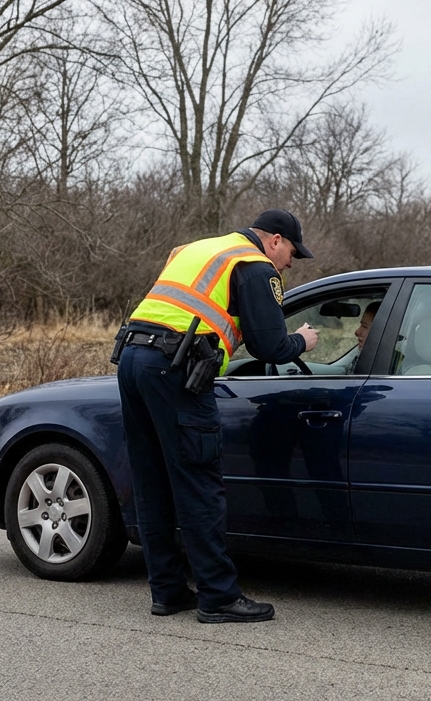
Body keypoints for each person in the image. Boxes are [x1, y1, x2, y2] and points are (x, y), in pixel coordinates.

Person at [115, 209, 319, 623]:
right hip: (175, 368)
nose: (290, 264)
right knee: (199, 483)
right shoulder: (255, 265)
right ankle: (218, 597)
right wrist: (302, 340)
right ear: (275, 240)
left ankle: (168, 591)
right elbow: (269, 346)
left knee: (152, 481)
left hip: (133, 359)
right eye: (292, 253)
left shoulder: (200, 249)